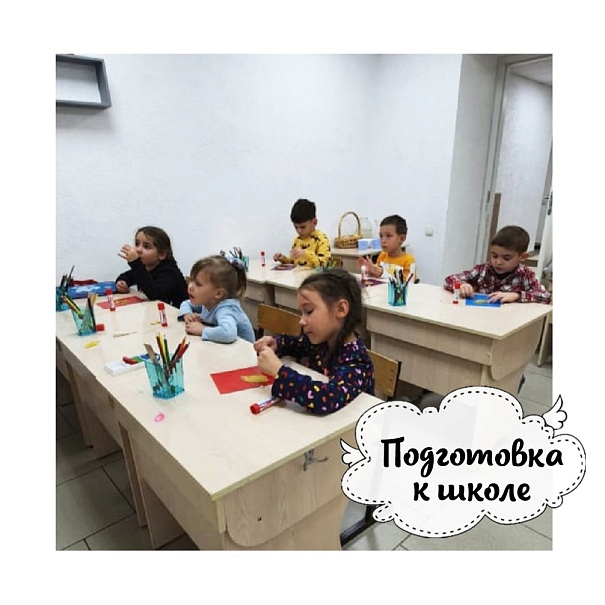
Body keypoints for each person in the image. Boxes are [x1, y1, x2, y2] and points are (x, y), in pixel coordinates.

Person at [254, 269, 374, 415]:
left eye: (309, 311)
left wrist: (279, 372)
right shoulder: (323, 340)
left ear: (341, 309)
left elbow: (327, 398)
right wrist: (277, 344)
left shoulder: (357, 361)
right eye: (302, 312)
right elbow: (297, 344)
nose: (301, 321)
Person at [443, 225, 551, 304]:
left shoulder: (525, 274)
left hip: (509, 321)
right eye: (494, 256)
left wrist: (516, 295)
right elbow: (450, 279)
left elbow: (545, 296)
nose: (498, 262)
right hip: (479, 317)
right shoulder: (483, 269)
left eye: (506, 258)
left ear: (523, 257)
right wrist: (461, 285)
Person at [178, 254, 255, 343]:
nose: (190, 286)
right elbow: (186, 303)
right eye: (191, 280)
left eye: (198, 284)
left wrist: (202, 330)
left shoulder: (225, 309)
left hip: (244, 351)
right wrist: (187, 314)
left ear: (218, 293)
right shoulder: (208, 301)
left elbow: (229, 333)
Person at [115, 226, 188, 307]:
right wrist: (122, 283)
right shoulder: (146, 267)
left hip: (178, 312)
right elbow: (128, 276)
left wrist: (136, 263)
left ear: (162, 254)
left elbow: (155, 295)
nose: (138, 250)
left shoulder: (170, 273)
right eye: (137, 244)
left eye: (146, 247)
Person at [273, 198, 332, 268]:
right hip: (299, 274)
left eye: (303, 227)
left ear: (314, 222)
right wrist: (283, 259)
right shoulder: (297, 240)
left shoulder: (321, 239)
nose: (299, 231)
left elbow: (325, 265)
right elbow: (293, 262)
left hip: (315, 275)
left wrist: (306, 254)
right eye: (296, 227)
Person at [358, 214, 416, 282]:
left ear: (402, 238)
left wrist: (383, 274)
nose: (383, 240)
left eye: (388, 236)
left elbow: (408, 284)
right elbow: (378, 278)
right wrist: (371, 271)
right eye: (381, 236)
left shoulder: (409, 260)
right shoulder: (382, 255)